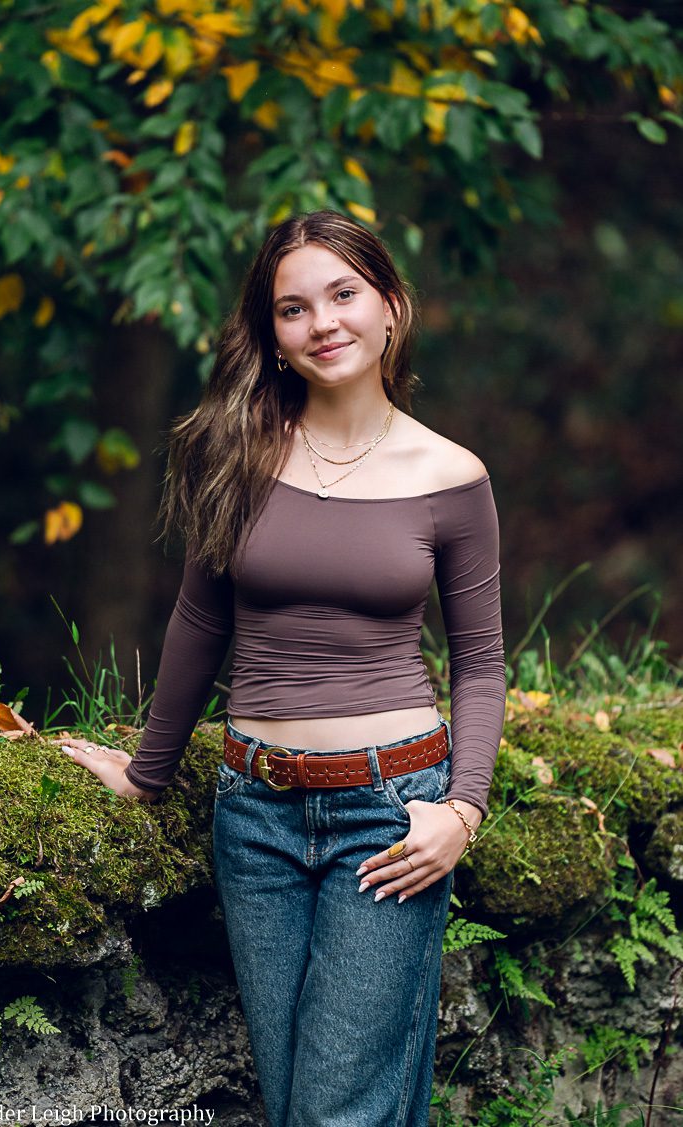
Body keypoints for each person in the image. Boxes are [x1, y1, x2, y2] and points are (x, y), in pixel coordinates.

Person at [59, 209, 506, 1127]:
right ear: (272, 333)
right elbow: (198, 618)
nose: (323, 323)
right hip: (253, 816)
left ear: (390, 305)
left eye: (343, 294)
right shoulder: (239, 453)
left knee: (335, 1111)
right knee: (307, 1101)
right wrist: (148, 772)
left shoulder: (451, 477)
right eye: (293, 308)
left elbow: (482, 664)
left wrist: (461, 809)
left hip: (390, 816)